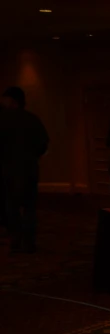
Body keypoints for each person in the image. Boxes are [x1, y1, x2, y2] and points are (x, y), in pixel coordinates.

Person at [0, 86, 49, 254]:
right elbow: (43, 143)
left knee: (11, 206)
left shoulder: (3, 119)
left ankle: (16, 237)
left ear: (13, 101)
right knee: (29, 207)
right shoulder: (33, 119)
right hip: (29, 168)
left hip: (9, 169)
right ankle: (28, 241)